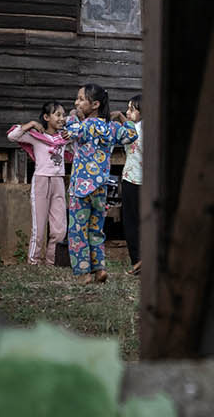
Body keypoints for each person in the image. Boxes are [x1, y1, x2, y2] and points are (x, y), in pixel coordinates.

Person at [63, 84, 137, 284]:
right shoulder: (111, 127)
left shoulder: (86, 125)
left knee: (78, 230)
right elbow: (131, 135)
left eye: (80, 99)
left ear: (95, 104)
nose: (76, 103)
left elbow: (72, 131)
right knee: (96, 230)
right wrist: (122, 118)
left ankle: (83, 273)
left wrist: (72, 115)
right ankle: (100, 269)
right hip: (101, 187)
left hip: (81, 188)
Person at [6, 102, 71, 266]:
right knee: (39, 226)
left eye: (63, 115)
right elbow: (12, 136)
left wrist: (72, 135)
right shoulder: (36, 136)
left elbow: (77, 150)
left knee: (60, 228)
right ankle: (34, 261)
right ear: (46, 117)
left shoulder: (64, 137)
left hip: (58, 181)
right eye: (57, 114)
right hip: (41, 181)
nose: (62, 118)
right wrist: (32, 124)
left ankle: (51, 261)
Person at [119, 98, 143, 275]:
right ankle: (140, 261)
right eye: (128, 109)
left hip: (139, 181)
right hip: (135, 180)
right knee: (136, 223)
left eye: (132, 109)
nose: (128, 113)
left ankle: (141, 260)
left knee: (135, 222)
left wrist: (122, 121)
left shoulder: (137, 129)